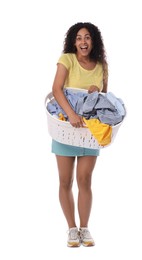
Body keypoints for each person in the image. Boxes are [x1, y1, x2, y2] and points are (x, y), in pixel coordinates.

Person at [51, 22, 108, 247]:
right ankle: (71, 229)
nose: (83, 42)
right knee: (66, 180)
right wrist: (71, 114)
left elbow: (104, 98)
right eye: (78, 38)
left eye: (87, 37)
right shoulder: (67, 59)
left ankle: (85, 228)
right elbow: (56, 89)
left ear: (93, 41)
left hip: (88, 132)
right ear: (73, 42)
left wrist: (98, 91)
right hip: (66, 128)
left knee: (85, 180)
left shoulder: (101, 65)